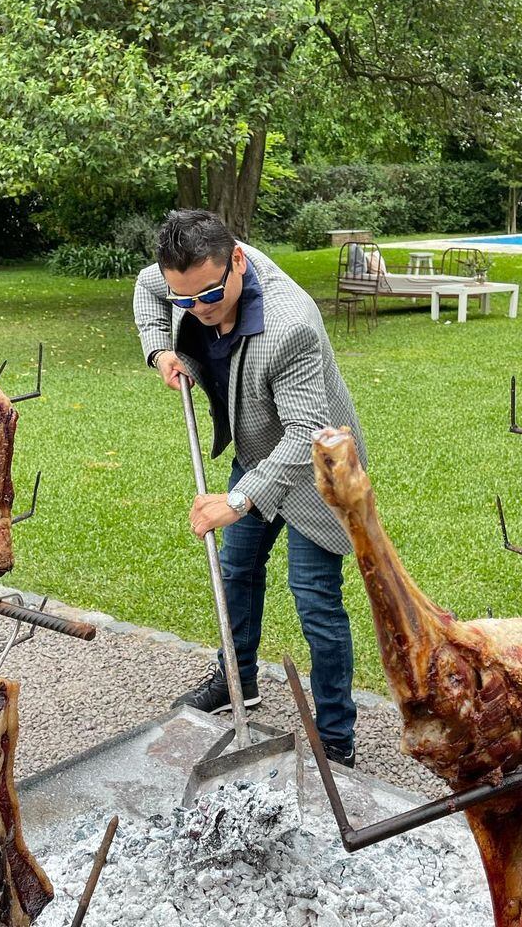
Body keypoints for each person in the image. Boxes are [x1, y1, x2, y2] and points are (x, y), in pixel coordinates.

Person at [133, 210, 367, 767]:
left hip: (316, 471)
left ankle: (336, 736)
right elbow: (147, 290)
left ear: (237, 260)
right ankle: (237, 679)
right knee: (236, 571)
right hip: (258, 451)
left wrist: (238, 500)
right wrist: (161, 349)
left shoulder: (291, 327)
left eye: (209, 296)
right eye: (184, 300)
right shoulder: (183, 281)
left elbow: (308, 433)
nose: (198, 309)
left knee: (315, 601)